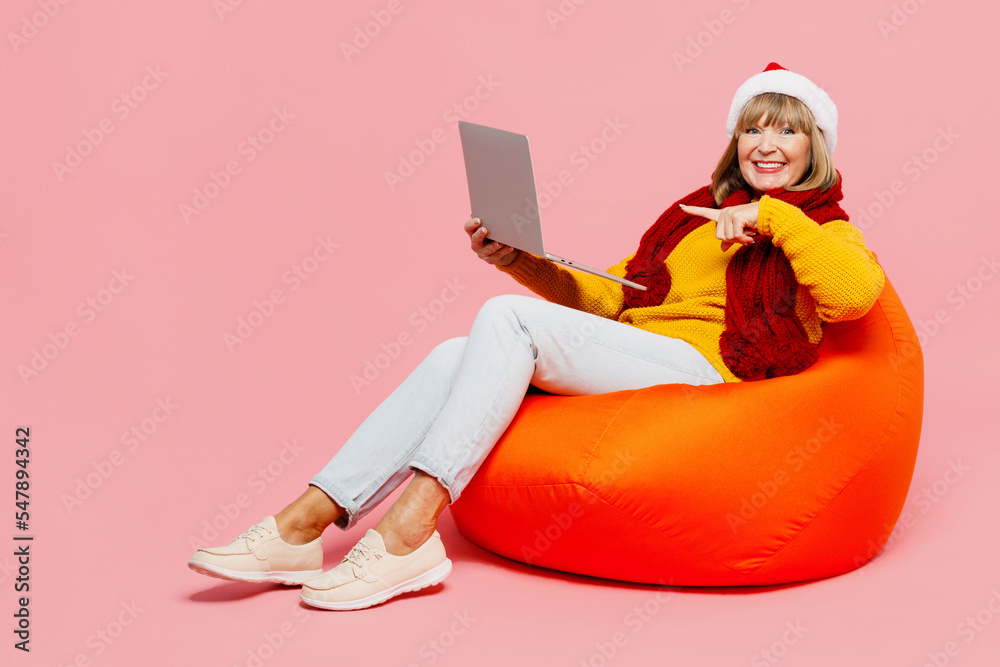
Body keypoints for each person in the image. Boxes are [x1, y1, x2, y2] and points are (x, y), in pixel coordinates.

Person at [187, 62, 884, 611]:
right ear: (735, 141)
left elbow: (855, 295)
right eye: (754, 129)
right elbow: (617, 297)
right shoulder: (693, 217)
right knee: (454, 354)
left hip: (714, 372)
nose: (767, 144)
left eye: (787, 131)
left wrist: (775, 218)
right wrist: (520, 259)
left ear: (815, 146)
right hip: (645, 350)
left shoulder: (823, 226)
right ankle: (304, 524)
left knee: (506, 319)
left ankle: (410, 529)